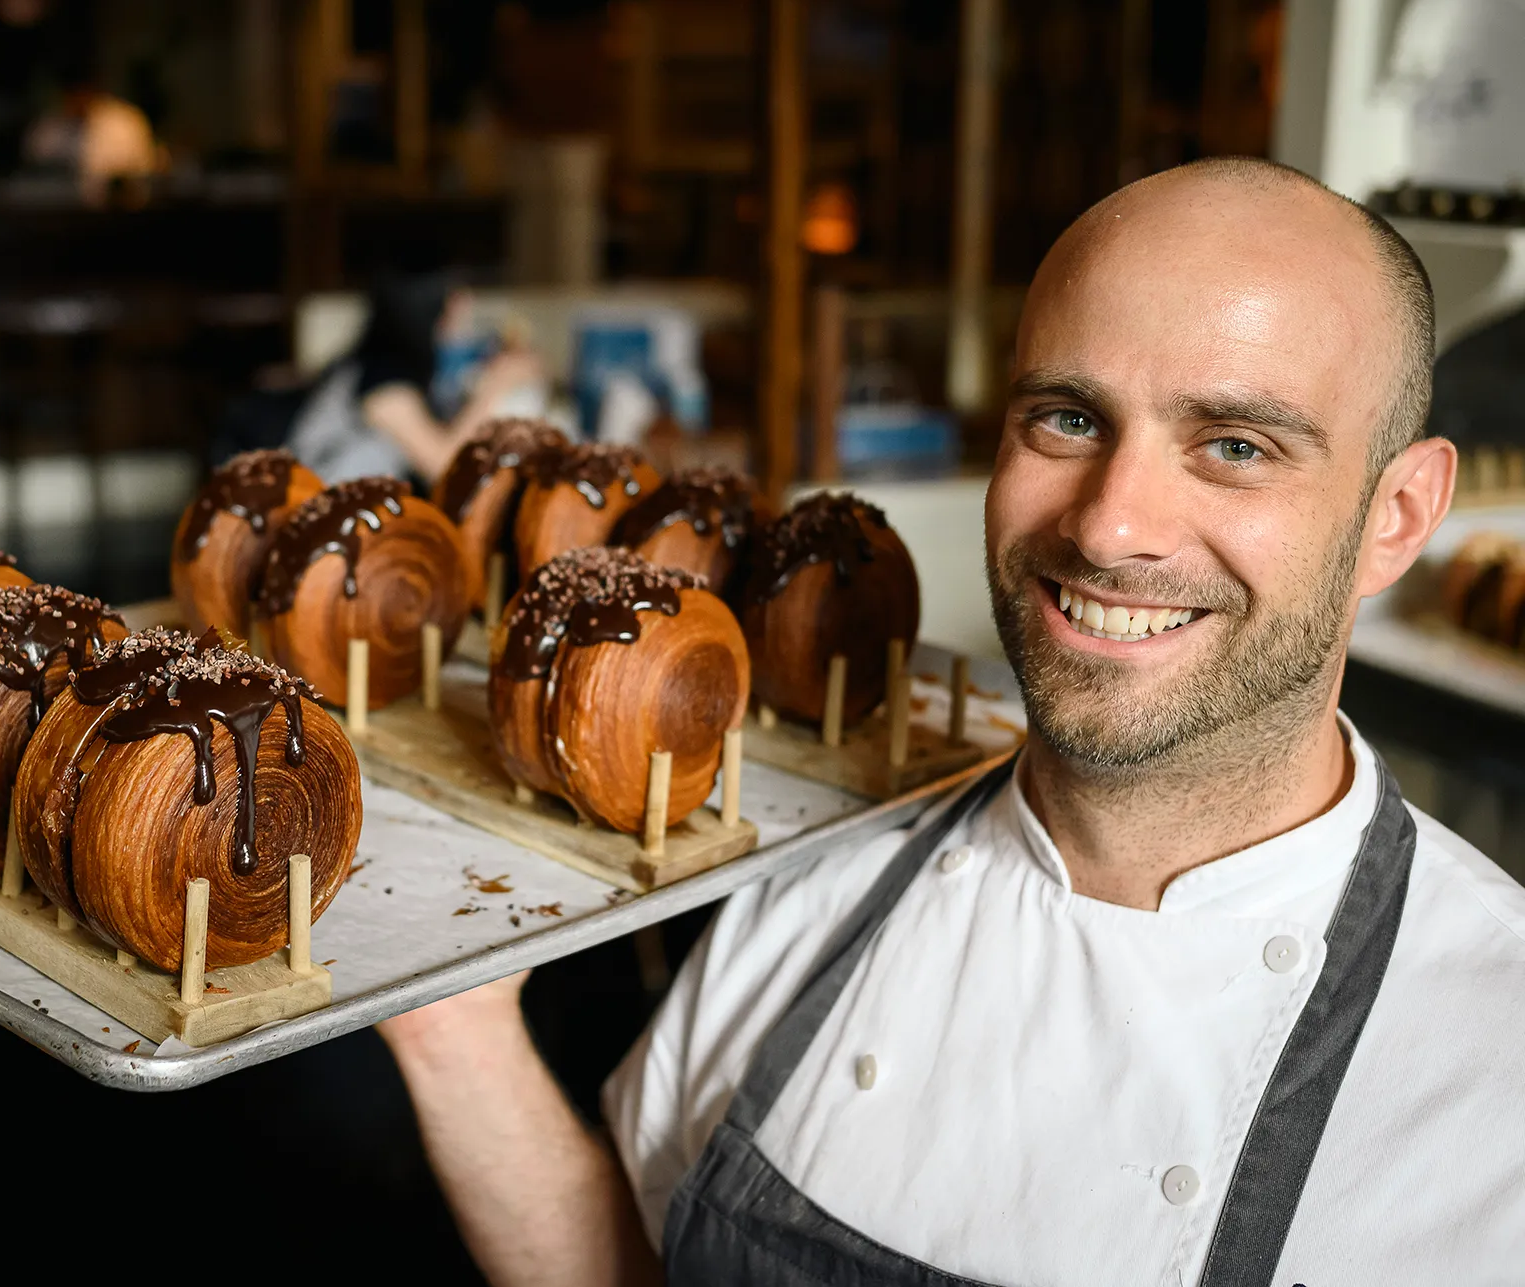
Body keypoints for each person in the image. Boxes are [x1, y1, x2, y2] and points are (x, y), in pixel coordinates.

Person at [376, 158, 1525, 1285]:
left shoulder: (1492, 1070)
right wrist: (454, 1032)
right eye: (1067, 419)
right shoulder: (809, 875)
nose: (1110, 526)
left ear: (1397, 513)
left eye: (1234, 446)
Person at [287, 274, 546, 485]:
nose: (466, 305)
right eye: (455, 296)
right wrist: (495, 387)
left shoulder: (406, 365)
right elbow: (443, 467)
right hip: (329, 522)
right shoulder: (382, 377)